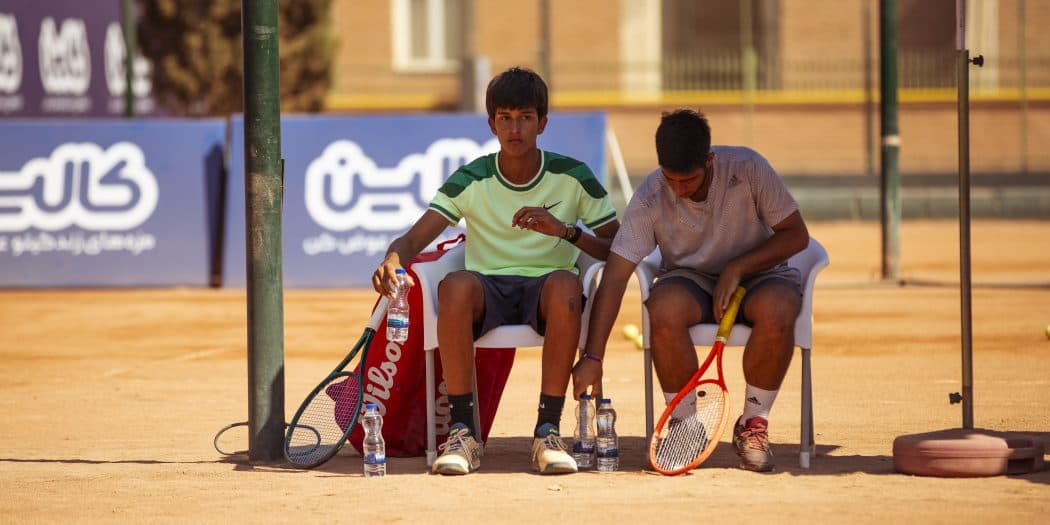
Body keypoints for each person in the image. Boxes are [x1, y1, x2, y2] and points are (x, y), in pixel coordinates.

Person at [372, 67, 619, 475]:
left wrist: (565, 232)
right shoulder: (472, 178)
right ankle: (463, 434)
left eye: (524, 117)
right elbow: (412, 240)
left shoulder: (573, 176)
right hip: (488, 289)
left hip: (547, 291)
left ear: (542, 122)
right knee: (454, 286)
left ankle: (547, 431)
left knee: (565, 284)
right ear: (491, 124)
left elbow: (618, 248)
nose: (514, 128)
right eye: (505, 118)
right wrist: (392, 260)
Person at [572, 109, 809, 472]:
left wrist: (738, 267)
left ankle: (753, 424)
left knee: (779, 308)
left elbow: (796, 235)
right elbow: (616, 276)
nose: (679, 189)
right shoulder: (651, 195)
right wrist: (593, 358)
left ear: (709, 159)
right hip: (689, 277)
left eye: (689, 180)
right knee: (662, 308)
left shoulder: (749, 168)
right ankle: (685, 425)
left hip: (761, 273)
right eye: (671, 179)